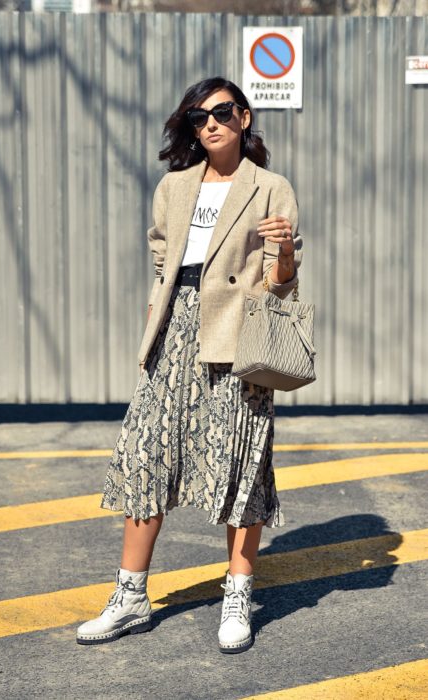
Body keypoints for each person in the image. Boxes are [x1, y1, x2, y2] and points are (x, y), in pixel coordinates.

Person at [76, 76, 303, 653]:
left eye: (222, 113)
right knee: (147, 453)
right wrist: (157, 318)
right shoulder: (174, 187)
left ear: (244, 118)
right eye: (199, 117)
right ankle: (130, 596)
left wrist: (282, 255)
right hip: (173, 331)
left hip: (237, 337)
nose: (211, 124)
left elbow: (281, 287)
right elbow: (162, 256)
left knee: (240, 464)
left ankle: (237, 591)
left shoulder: (271, 187)